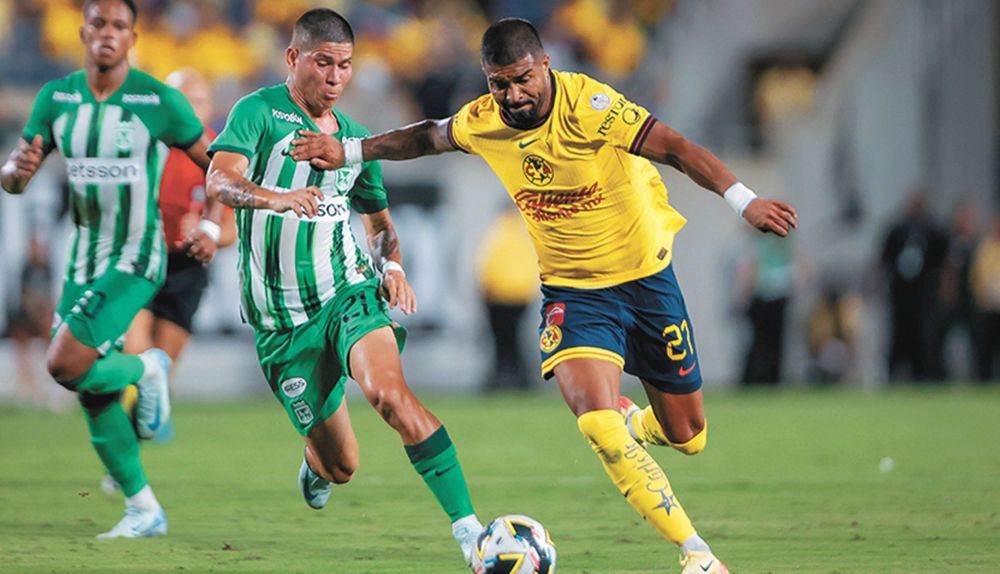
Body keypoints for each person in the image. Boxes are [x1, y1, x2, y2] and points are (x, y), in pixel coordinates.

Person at [295, 17, 797, 574]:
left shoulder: (590, 105)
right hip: (574, 292)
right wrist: (351, 150)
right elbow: (426, 135)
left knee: (687, 435)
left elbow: (674, 147)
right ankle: (696, 552)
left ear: (546, 66)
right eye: (499, 83)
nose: (513, 95)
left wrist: (743, 200)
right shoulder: (485, 120)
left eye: (523, 79)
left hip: (645, 280)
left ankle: (639, 426)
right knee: (597, 423)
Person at [204, 9, 483, 569]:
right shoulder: (258, 112)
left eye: (345, 65)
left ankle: (473, 535)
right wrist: (276, 198)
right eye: (323, 63)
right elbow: (220, 180)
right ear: (293, 58)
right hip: (283, 323)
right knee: (342, 465)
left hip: (348, 294)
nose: (335, 77)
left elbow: (379, 225)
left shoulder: (355, 140)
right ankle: (318, 465)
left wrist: (393, 267)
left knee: (390, 396)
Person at [0, 0, 221, 538]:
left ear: (132, 38)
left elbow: (220, 165)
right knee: (89, 389)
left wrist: (213, 226)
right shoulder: (57, 99)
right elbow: (15, 178)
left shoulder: (157, 100)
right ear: (83, 32)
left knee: (62, 363)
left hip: (136, 255)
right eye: (98, 23)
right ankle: (143, 508)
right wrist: (13, 170)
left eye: (119, 26)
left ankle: (147, 369)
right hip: (83, 258)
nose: (107, 33)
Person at [121, 68, 236, 434]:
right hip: (141, 258)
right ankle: (132, 429)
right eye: (179, 101)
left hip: (187, 266)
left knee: (164, 362)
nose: (187, 109)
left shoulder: (221, 155)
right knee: (135, 349)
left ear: (210, 107)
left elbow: (232, 230)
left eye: (196, 101)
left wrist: (207, 233)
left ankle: (140, 427)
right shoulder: (142, 144)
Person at [879, 192, 948, 381]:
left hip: (921, 295)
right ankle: (899, 373)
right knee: (902, 334)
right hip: (903, 295)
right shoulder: (899, 229)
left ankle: (921, 373)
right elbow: (885, 258)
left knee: (921, 334)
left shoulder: (930, 229)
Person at [476, 205, 539, 391]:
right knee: (516, 338)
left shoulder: (496, 231)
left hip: (497, 294)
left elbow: (485, 261)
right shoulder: (526, 231)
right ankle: (522, 379)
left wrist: (483, 287)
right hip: (521, 294)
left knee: (500, 340)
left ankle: (499, 378)